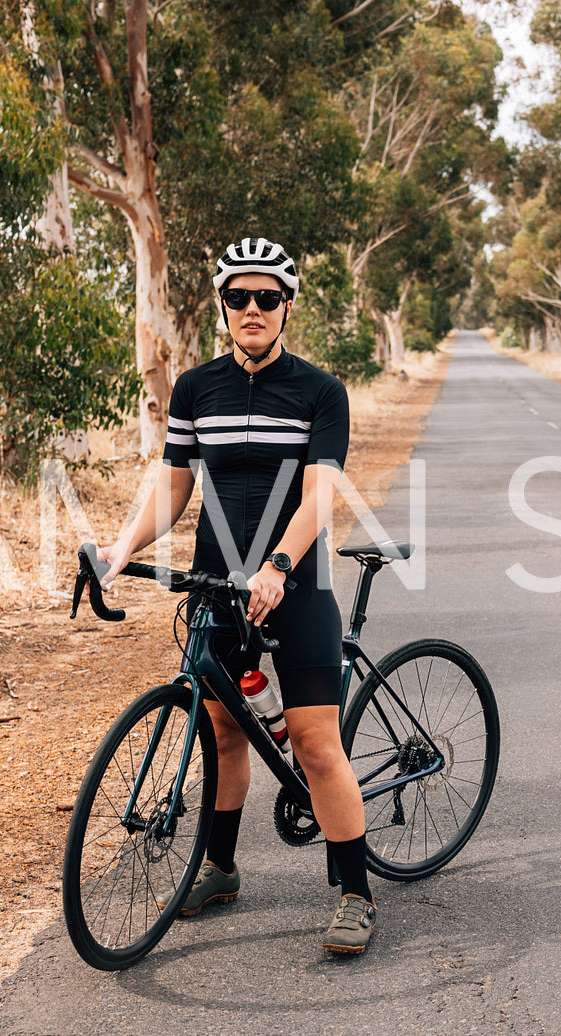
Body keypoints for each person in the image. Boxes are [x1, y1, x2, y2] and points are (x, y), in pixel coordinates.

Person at [101, 237, 377, 955]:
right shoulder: (196, 389)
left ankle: (356, 893)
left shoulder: (320, 392)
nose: (251, 309)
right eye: (237, 297)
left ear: (287, 305)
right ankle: (220, 868)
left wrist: (280, 563)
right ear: (222, 305)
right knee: (221, 732)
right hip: (217, 584)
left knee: (316, 745)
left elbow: (321, 494)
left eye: (266, 297)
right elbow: (172, 485)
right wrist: (123, 546)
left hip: (297, 583)